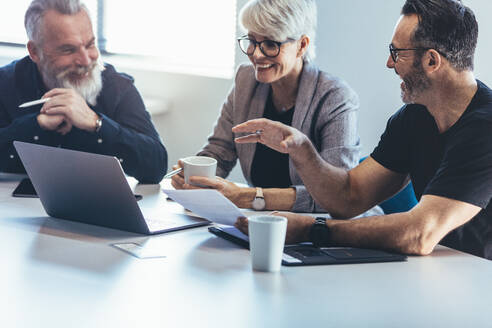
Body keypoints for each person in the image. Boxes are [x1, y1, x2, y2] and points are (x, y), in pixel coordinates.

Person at [234, 0, 492, 260]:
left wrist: (312, 229)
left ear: (432, 60)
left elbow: (419, 234)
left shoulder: (485, 128)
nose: (390, 64)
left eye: (397, 52)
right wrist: (302, 150)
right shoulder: (414, 117)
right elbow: (349, 197)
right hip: (443, 270)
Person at [171, 0, 382, 216]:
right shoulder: (246, 81)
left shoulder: (335, 97)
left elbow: (337, 197)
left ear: (302, 45)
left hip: (323, 227)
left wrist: (248, 196)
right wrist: (195, 180)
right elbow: (220, 151)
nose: (257, 55)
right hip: (264, 221)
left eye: (271, 44)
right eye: (252, 41)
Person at [0, 0, 168, 183]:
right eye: (68, 50)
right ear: (34, 52)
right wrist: (37, 125)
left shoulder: (117, 86)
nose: (86, 60)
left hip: (101, 207)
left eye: (89, 45)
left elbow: (156, 167)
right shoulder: (5, 84)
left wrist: (96, 124)